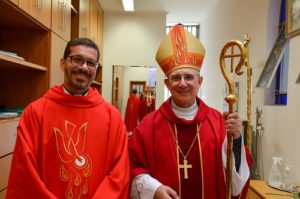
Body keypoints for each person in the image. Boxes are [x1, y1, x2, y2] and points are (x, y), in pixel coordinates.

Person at [128, 24, 252, 199]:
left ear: (199, 81)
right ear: (167, 84)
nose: (183, 83)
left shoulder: (218, 122)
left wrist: (237, 138)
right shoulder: (149, 125)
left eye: (189, 77)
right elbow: (130, 166)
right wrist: (153, 189)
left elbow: (235, 182)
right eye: (176, 78)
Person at [6, 38, 129, 199]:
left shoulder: (112, 117)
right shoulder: (36, 113)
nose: (84, 67)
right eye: (77, 59)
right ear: (63, 63)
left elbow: (119, 172)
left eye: (91, 63)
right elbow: (25, 172)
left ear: (96, 69)